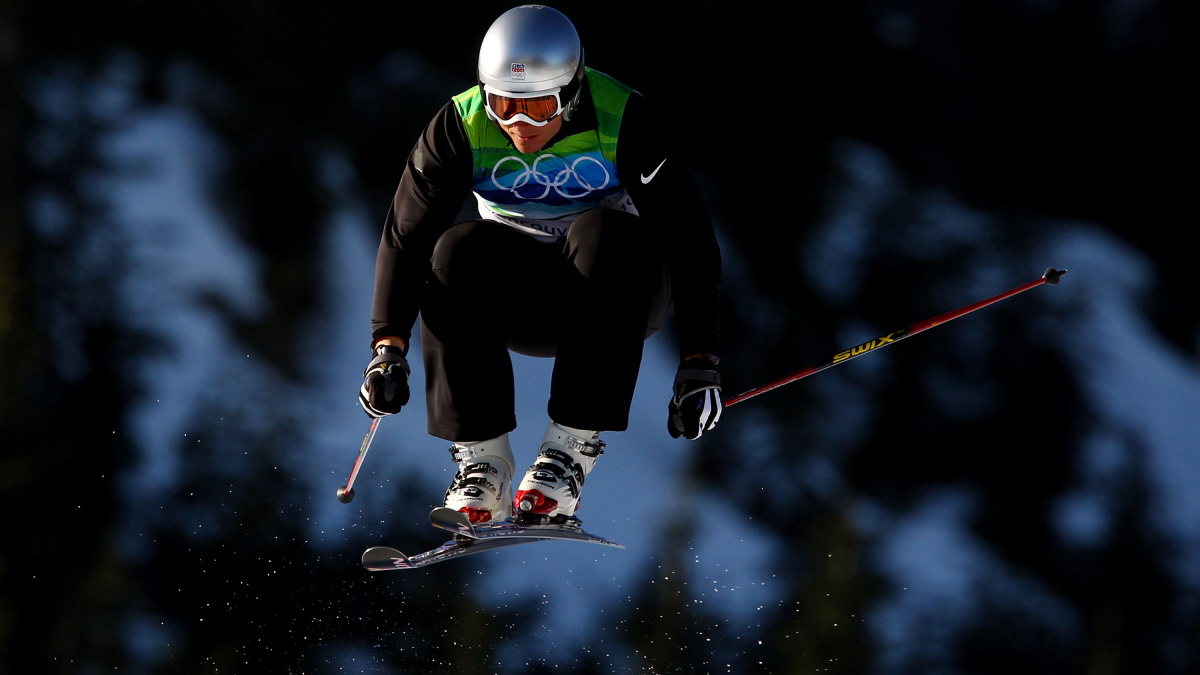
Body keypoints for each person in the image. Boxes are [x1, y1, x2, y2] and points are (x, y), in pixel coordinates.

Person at [358, 5, 723, 526]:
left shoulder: (623, 119)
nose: (518, 125)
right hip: (521, 303)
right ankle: (481, 463)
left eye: (537, 107)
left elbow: (690, 239)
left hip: (614, 296)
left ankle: (567, 456)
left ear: (571, 94)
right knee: (457, 250)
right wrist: (386, 347)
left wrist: (700, 360)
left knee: (606, 231)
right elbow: (404, 236)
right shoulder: (459, 126)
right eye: (503, 104)